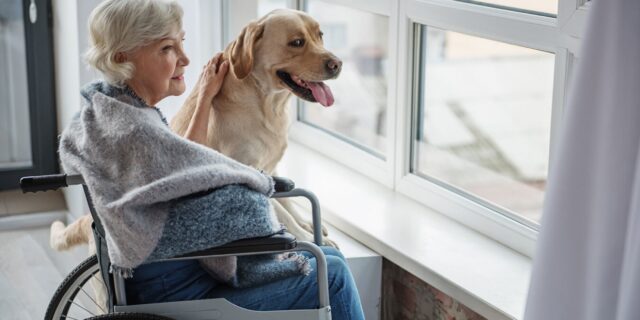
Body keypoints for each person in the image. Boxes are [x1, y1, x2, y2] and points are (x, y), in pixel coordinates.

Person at [66, 0, 365, 319]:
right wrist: (253, 190)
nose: (185, 58)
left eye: (182, 42)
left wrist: (204, 97)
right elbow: (209, 192)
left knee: (325, 261)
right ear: (122, 58)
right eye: (168, 48)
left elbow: (185, 166)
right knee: (331, 273)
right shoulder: (136, 132)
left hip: (174, 274)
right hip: (182, 286)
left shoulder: (117, 115)